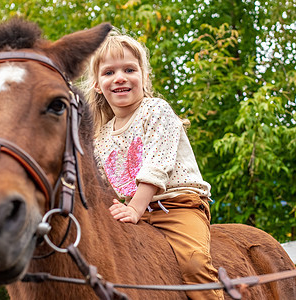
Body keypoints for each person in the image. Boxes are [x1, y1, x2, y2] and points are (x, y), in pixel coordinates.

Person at [84, 30, 224, 300]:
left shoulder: (156, 111)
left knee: (193, 264)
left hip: (176, 206)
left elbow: (157, 166)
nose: (120, 78)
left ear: (144, 77)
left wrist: (135, 208)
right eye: (109, 72)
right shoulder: (99, 136)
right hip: (132, 211)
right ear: (97, 85)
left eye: (129, 69)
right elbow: (101, 184)